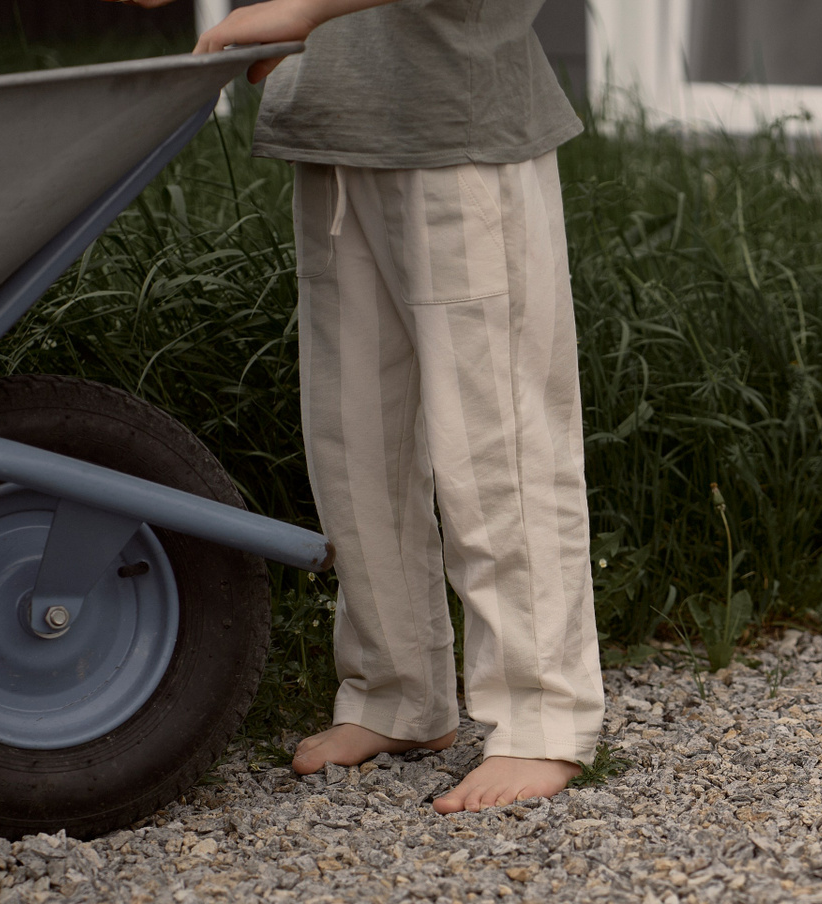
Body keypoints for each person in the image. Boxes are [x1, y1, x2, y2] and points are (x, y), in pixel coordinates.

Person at [114, 0, 604, 809]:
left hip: (457, 129)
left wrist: (299, 10)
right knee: (356, 443)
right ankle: (395, 693)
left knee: (499, 447)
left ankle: (544, 717)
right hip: (339, 131)